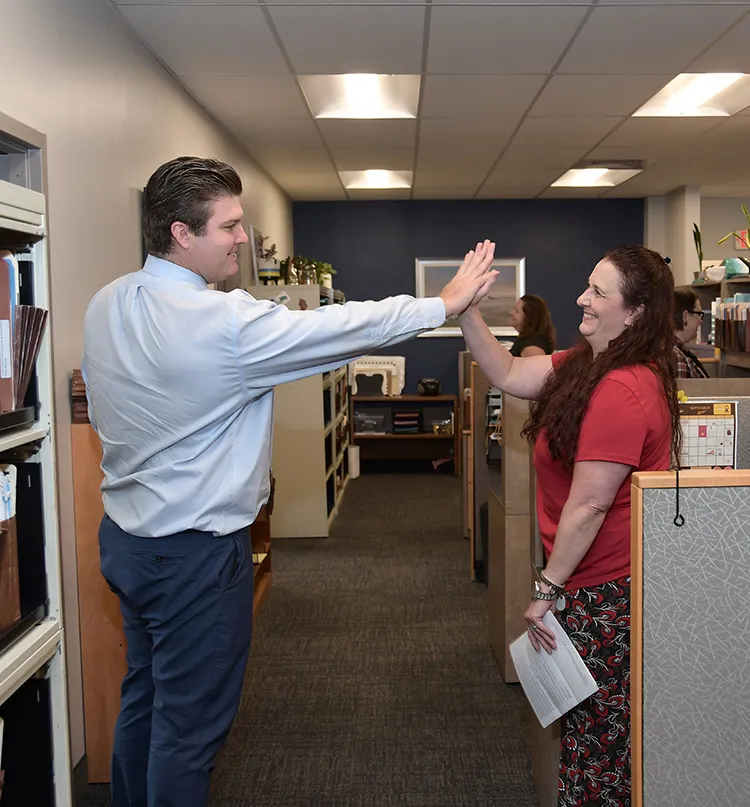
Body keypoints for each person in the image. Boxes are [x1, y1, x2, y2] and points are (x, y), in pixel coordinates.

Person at [81, 156, 499, 807]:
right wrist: (438, 305)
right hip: (194, 554)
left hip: (127, 540)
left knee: (147, 695)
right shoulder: (222, 326)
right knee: (187, 734)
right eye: (230, 226)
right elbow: (336, 328)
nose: (243, 239)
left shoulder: (107, 302)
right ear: (180, 232)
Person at [459, 244, 680, 806]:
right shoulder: (586, 365)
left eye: (598, 292)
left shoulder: (622, 388)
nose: (582, 297)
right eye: (587, 284)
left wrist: (546, 590)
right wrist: (465, 310)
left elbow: (590, 504)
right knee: (590, 730)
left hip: (604, 586)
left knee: (601, 739)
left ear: (635, 313)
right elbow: (508, 371)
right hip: (587, 577)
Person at [673, 287, 709, 378]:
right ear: (685, 316)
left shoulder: (678, 352)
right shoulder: (677, 357)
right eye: (699, 314)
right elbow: (682, 392)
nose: (701, 321)